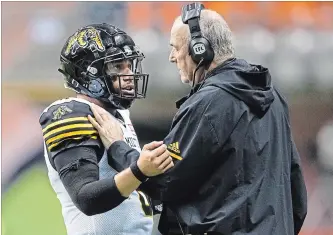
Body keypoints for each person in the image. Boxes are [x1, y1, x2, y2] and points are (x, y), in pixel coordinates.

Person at [87, 3, 308, 235]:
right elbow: (296, 192)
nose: (172, 57)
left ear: (199, 49)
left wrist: (118, 147)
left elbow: (162, 179)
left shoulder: (209, 103)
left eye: (175, 47)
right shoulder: (273, 95)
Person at [38, 23, 174, 235]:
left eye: (129, 65)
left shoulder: (119, 116)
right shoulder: (69, 113)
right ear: (88, 74)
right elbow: (87, 198)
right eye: (117, 67)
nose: (128, 74)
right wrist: (139, 171)